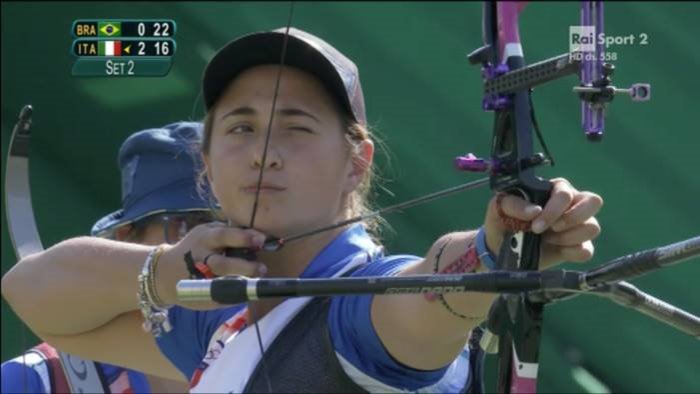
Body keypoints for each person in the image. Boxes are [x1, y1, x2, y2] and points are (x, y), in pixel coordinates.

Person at [2, 27, 602, 393]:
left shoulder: (357, 309)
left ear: (357, 162)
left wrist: (497, 247)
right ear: (206, 164)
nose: (264, 152)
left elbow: (433, 292)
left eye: (296, 127)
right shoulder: (219, 322)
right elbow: (34, 296)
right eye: (240, 127)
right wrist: (168, 268)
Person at [1, 122, 216, 393]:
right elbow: (22, 285)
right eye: (188, 225)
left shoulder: (262, 349)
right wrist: (167, 269)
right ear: (126, 239)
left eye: (233, 227)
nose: (215, 246)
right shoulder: (37, 381)